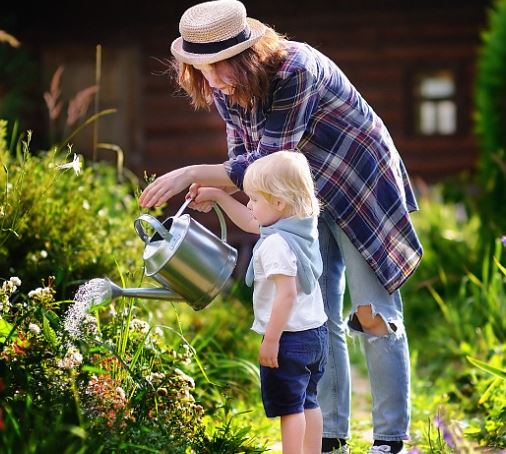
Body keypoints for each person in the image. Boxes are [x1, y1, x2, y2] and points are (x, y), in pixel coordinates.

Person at [139, 1, 423, 453]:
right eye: (201, 68)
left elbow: (269, 162)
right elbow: (243, 166)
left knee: (375, 315)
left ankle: (390, 439)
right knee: (316, 315)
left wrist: (192, 172)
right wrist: (221, 192)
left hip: (356, 182)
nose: (213, 80)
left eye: (219, 67)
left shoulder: (296, 70)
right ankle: (329, 435)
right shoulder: (222, 87)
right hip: (301, 199)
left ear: (246, 54)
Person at [187, 150, 328, 453]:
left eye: (254, 199)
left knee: (290, 409)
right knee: (309, 402)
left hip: (288, 337)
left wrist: (271, 340)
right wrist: (219, 197)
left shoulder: (276, 244)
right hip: (316, 332)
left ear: (278, 203)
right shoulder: (302, 223)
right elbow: (255, 222)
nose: (249, 205)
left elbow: (286, 294)